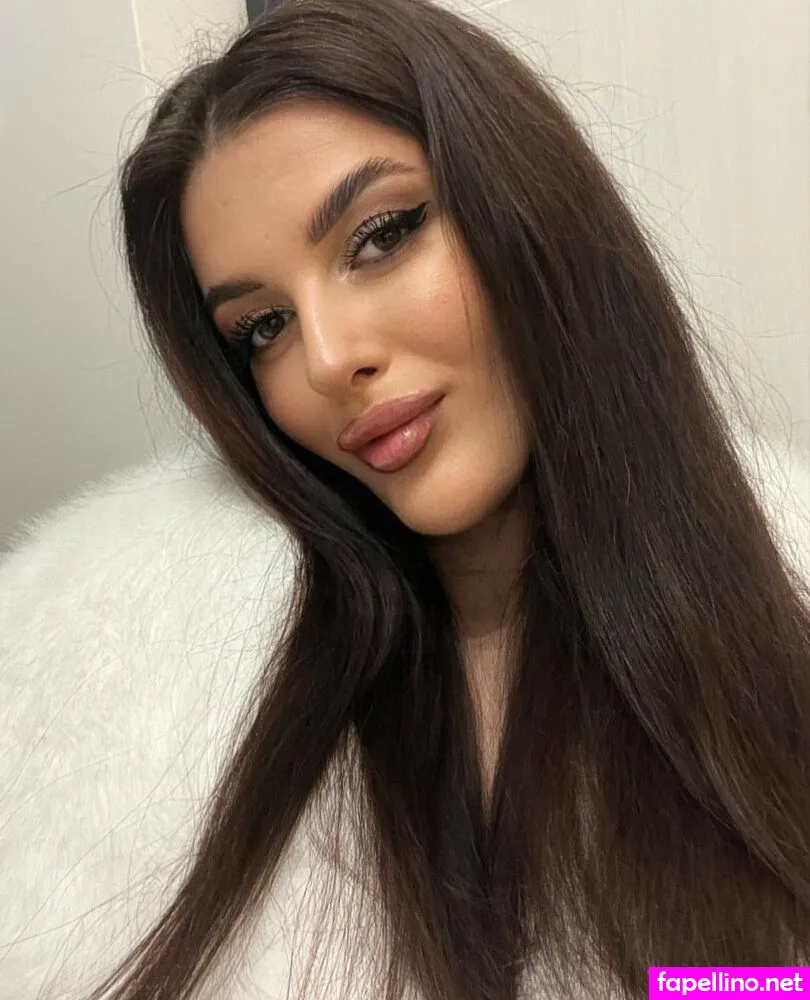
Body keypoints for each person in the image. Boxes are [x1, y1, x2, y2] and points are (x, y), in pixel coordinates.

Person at [1, 0, 809, 997]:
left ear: (527, 203)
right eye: (262, 328)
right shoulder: (165, 685)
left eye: (379, 236)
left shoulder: (776, 623)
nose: (327, 358)